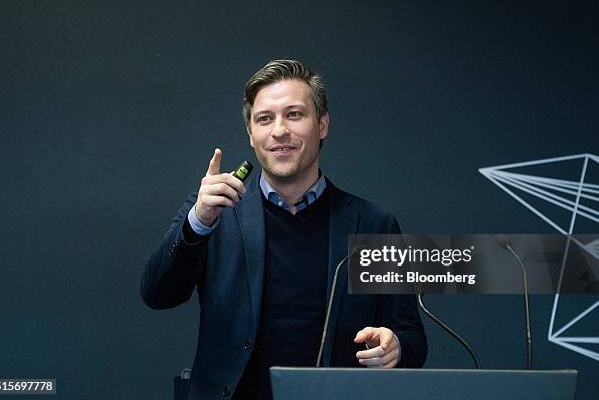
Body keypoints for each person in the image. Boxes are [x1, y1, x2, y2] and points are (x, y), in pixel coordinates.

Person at [141, 59, 427, 399]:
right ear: (251, 134)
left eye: (294, 115)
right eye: (265, 119)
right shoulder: (213, 212)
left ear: (322, 125)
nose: (279, 130)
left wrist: (396, 347)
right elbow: (158, 294)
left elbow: (411, 336)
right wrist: (198, 222)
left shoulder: (373, 224)